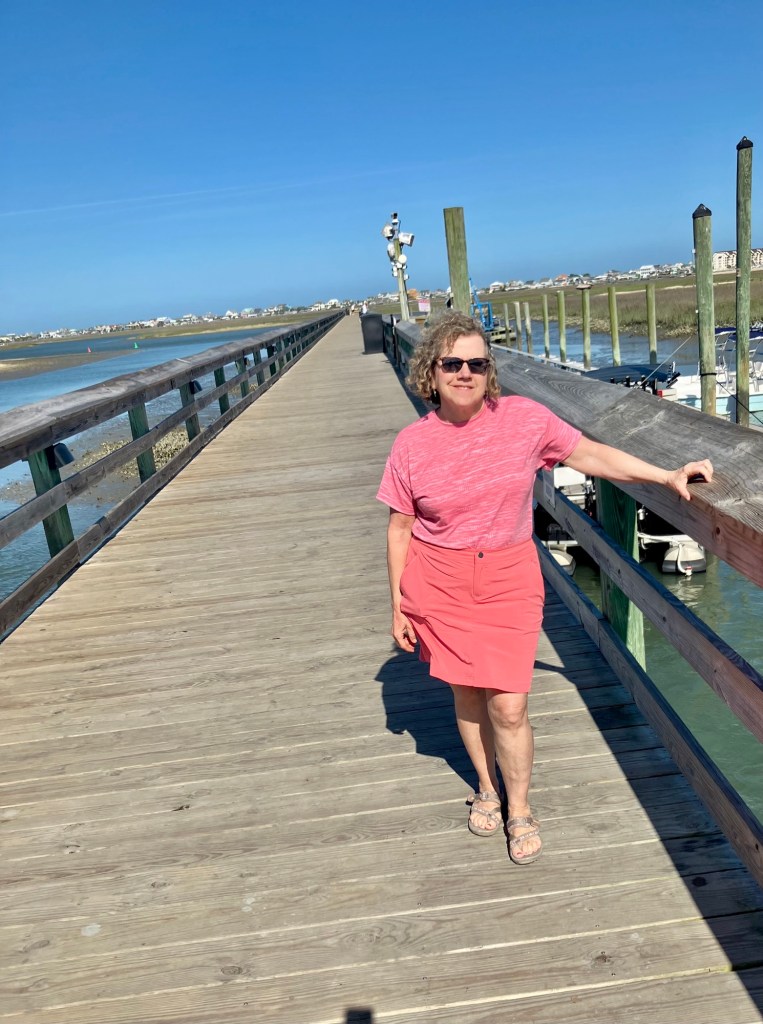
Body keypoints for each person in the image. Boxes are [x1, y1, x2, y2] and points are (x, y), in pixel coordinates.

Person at [376, 311, 712, 865]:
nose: (465, 373)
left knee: (508, 705)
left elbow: (590, 455)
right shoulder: (411, 445)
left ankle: (520, 807)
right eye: (452, 363)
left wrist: (664, 474)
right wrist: (398, 606)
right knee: (467, 694)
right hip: (439, 582)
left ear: (490, 371)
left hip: (508, 576)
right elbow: (399, 529)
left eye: (477, 363)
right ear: (431, 372)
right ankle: (487, 787)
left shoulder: (525, 420)